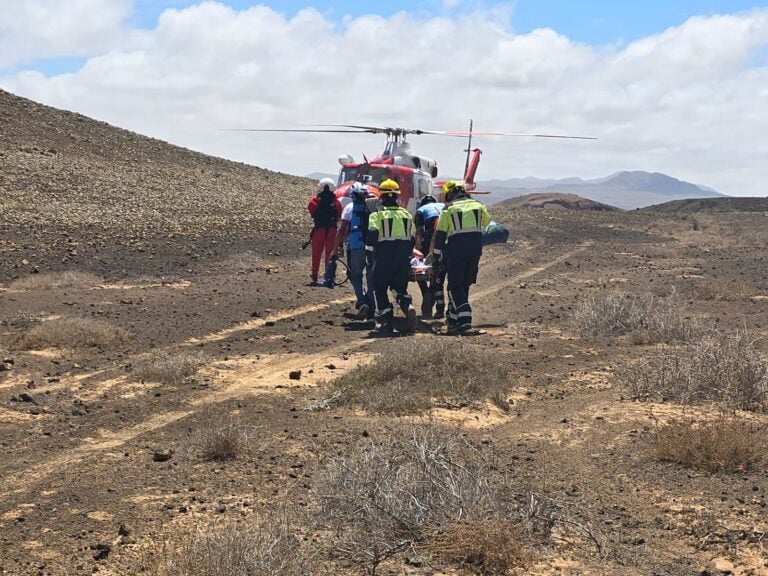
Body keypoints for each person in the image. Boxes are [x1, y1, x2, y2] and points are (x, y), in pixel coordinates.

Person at [431, 181, 491, 335]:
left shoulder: (448, 209)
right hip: (475, 251)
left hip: (456, 251)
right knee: (465, 285)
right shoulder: (478, 205)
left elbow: (440, 235)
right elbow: (487, 222)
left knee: (454, 287)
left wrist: (436, 257)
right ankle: (452, 323)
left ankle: (465, 322)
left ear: (449, 194)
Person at [366, 178, 417, 335]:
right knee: (398, 287)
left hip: (384, 256)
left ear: (381, 197)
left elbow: (372, 236)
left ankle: (386, 322)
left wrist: (370, 257)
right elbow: (413, 238)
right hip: (403, 257)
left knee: (379, 288)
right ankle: (406, 304)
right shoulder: (407, 215)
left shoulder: (376, 215)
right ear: (397, 197)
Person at [333, 182, 374, 319]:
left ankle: (362, 302)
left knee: (355, 275)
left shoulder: (350, 208)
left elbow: (342, 230)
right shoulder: (372, 207)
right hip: (371, 247)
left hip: (355, 246)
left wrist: (335, 249)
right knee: (370, 277)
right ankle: (372, 305)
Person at [414, 194, 445, 318]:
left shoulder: (421, 211)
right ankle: (439, 307)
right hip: (447, 241)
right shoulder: (443, 206)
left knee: (421, 268)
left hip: (430, 241)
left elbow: (419, 233)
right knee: (438, 275)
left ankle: (425, 292)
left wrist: (417, 250)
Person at [306, 177, 342, 286]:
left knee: (316, 252)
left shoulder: (315, 200)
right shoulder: (336, 202)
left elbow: (311, 210)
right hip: (332, 230)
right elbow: (339, 215)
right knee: (330, 253)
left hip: (319, 230)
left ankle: (314, 274)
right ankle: (328, 274)